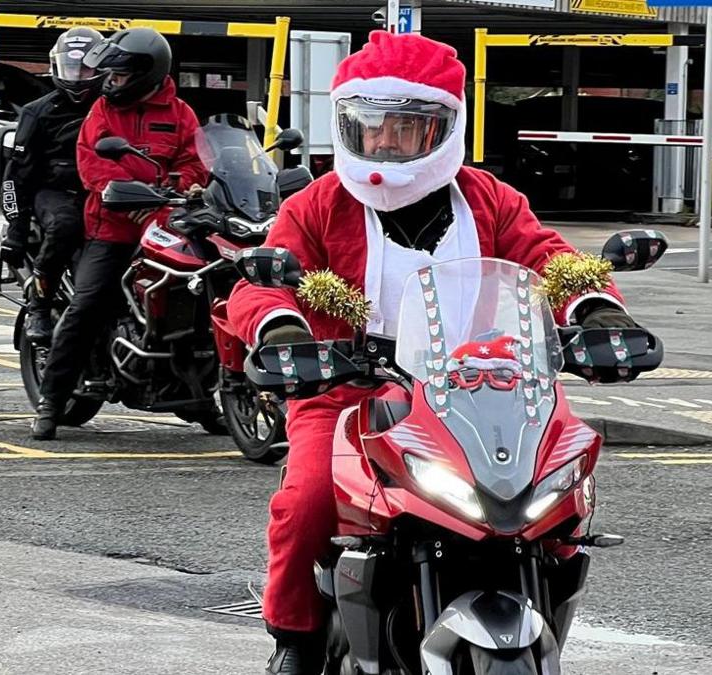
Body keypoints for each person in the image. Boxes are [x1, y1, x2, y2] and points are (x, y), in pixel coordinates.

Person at [226, 31, 640, 675]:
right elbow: (266, 282)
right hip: (347, 389)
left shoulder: (490, 198)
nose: (385, 143)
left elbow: (546, 256)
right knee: (306, 499)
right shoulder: (317, 203)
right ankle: (296, 639)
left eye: (406, 128)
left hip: (484, 386)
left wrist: (597, 311)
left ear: (444, 129)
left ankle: (547, 590)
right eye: (370, 127)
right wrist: (282, 332)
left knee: (559, 489)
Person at [30, 27, 208, 440]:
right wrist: (130, 193)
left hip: (166, 225)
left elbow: (196, 162)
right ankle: (51, 401)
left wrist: (179, 188)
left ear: (147, 74)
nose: (111, 81)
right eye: (109, 74)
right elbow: (92, 164)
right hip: (111, 227)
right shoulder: (102, 112)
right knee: (87, 305)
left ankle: (203, 391)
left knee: (203, 292)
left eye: (120, 75)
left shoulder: (181, 113)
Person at [0, 27, 107, 344]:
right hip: (54, 191)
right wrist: (16, 230)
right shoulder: (37, 112)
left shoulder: (112, 107)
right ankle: (40, 305)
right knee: (65, 224)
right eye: (71, 68)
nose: (77, 77)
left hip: (103, 191)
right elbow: (16, 175)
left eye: (84, 69)